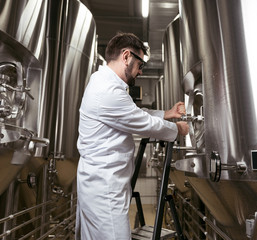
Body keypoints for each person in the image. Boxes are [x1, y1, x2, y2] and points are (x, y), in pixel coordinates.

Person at [75, 32, 189, 240]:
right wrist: (178, 129)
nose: (141, 71)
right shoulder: (107, 90)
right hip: (105, 187)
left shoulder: (105, 83)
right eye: (140, 64)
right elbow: (142, 123)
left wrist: (166, 114)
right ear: (126, 56)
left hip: (102, 183)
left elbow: (133, 114)